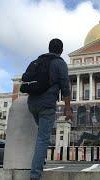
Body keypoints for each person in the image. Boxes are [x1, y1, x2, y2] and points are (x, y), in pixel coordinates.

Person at [28, 38, 72, 180]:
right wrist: (68, 108)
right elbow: (65, 87)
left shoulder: (38, 60)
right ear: (61, 50)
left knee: (41, 134)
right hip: (47, 105)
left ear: (49, 48)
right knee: (43, 139)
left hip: (32, 103)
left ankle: (40, 161)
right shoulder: (60, 63)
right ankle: (35, 175)